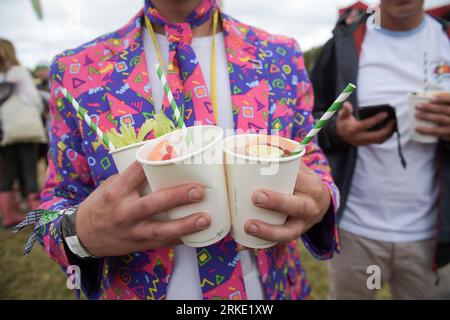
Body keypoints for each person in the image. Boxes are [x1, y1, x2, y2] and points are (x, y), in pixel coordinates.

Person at [18, 0, 340, 300]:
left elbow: (308, 156)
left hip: (271, 289)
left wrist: (322, 199)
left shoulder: (279, 55)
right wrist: (80, 233)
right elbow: (57, 200)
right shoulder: (77, 70)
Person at [311, 0, 450, 299]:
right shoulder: (342, 44)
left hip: (434, 238)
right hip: (354, 229)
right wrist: (339, 133)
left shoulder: (445, 39)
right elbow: (306, 122)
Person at [0, 39, 44, 228]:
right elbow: (33, 98)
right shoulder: (20, 72)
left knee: (8, 172)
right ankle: (35, 215)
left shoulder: (1, 77)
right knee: (30, 171)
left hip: (8, 130)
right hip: (27, 128)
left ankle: (9, 215)